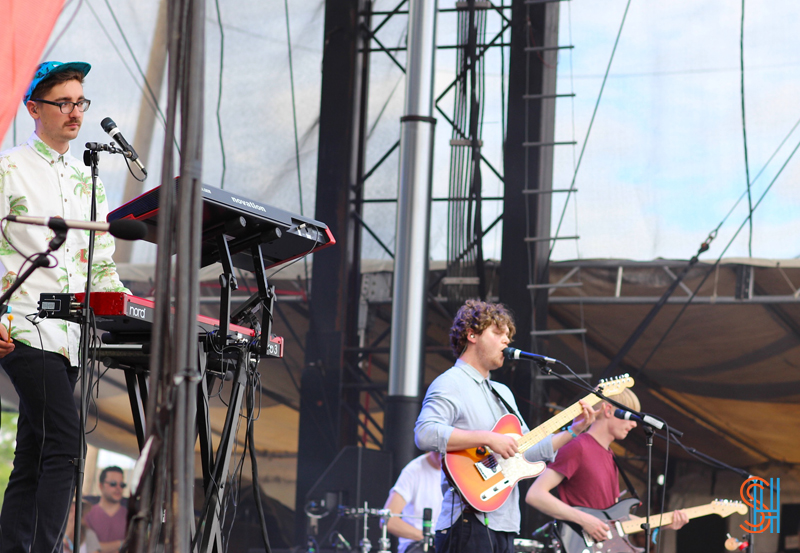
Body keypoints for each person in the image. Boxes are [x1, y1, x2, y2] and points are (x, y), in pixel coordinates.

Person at [0, 61, 129, 553]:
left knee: (33, 455)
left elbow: (100, 267)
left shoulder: (88, 179)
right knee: (68, 445)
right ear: (33, 109)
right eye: (64, 102)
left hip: (72, 336)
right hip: (24, 328)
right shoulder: (9, 167)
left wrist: (130, 308)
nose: (75, 112)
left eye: (81, 102)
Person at [414, 299, 596, 553]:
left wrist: (573, 430)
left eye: (508, 335)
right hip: (468, 520)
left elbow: (526, 451)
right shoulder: (450, 383)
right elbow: (424, 433)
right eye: (498, 333)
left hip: (505, 522)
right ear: (472, 335)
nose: (507, 341)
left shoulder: (503, 393)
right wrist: (487, 438)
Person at [525, 389, 689, 547]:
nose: (633, 424)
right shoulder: (578, 446)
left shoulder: (610, 456)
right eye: (630, 416)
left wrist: (663, 523)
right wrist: (585, 520)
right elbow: (535, 495)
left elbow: (614, 520)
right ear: (608, 410)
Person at [383, 451, 443, 553]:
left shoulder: (461, 472)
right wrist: (429, 538)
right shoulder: (413, 471)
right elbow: (389, 520)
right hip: (417, 544)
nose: (442, 457)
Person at [84, 467, 128, 553]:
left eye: (122, 485)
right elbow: (84, 545)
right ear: (101, 485)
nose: (118, 488)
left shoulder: (131, 516)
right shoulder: (86, 514)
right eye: (113, 484)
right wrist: (121, 543)